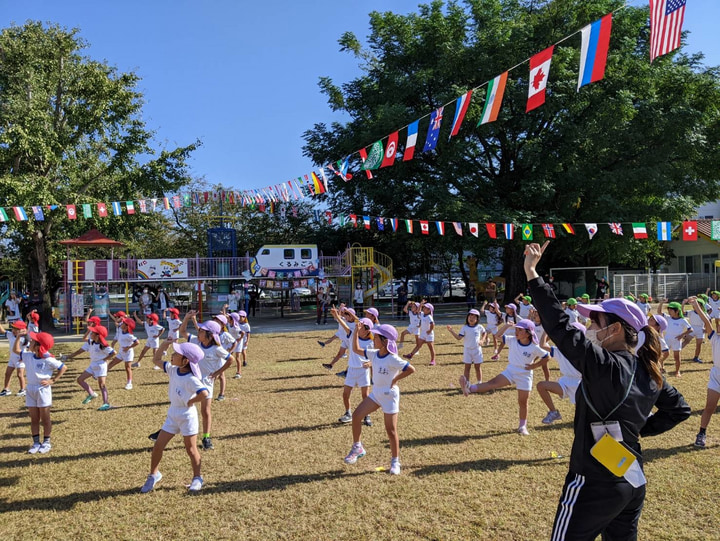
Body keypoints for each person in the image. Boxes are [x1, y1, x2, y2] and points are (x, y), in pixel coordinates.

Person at [523, 241, 690, 540]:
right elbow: (679, 409)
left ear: (614, 329)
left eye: (594, 320)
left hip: (593, 482)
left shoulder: (603, 364)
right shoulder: (650, 371)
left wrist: (533, 275)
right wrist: (638, 430)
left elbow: (560, 326)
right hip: (631, 479)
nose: (588, 325)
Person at [344, 323, 415, 475]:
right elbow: (356, 349)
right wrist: (356, 331)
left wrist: (395, 380)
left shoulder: (393, 358)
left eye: (376, 337)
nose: (373, 338)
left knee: (391, 430)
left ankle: (395, 461)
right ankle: (358, 447)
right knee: (356, 416)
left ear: (385, 341)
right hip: (376, 394)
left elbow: (410, 369)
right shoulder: (374, 354)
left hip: (389, 396)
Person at [140, 340, 209, 493]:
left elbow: (204, 393)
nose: (172, 355)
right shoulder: (172, 370)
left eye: (176, 354)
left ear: (185, 361)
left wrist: (191, 401)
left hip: (187, 417)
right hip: (173, 414)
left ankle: (197, 477)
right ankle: (154, 475)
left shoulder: (191, 378)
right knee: (158, 445)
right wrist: (164, 345)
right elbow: (156, 360)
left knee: (191, 449)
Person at [459, 319, 549, 435]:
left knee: (523, 402)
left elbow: (546, 357)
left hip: (525, 375)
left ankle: (522, 426)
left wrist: (534, 366)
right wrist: (506, 326)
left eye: (520, 330)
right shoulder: (512, 340)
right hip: (511, 371)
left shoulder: (534, 347)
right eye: (516, 329)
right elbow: (497, 336)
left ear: (528, 333)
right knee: (492, 383)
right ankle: (469, 388)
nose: (516, 332)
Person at [11, 330, 66, 454]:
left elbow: (63, 367)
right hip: (30, 389)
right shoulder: (28, 356)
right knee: (34, 418)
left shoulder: (48, 359)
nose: (30, 342)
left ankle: (46, 442)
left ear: (38, 345)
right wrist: (18, 337)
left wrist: (53, 380)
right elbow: (16, 351)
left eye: (33, 341)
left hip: (42, 390)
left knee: (45, 418)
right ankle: (36, 442)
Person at [530, 322, 586, 425]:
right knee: (541, 386)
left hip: (582, 384)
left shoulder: (586, 351)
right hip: (565, 382)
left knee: (582, 416)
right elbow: (542, 345)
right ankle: (553, 412)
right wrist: (548, 330)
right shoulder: (560, 350)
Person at [330, 307, 374, 426]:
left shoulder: (371, 342)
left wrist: (370, 363)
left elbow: (375, 357)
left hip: (363, 371)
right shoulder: (351, 335)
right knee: (345, 394)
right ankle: (348, 413)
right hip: (351, 370)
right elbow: (344, 324)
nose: (358, 328)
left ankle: (367, 415)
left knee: (365, 395)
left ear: (368, 330)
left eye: (362, 327)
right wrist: (337, 316)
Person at [66, 325, 116, 411]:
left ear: (98, 335)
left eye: (93, 332)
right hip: (93, 365)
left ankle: (106, 403)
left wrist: (105, 359)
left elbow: (114, 352)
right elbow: (84, 338)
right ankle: (91, 393)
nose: (91, 334)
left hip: (101, 366)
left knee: (102, 385)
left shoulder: (103, 345)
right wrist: (88, 330)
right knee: (80, 380)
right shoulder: (91, 342)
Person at [447, 309, 486, 384]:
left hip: (477, 350)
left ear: (477, 319)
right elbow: (459, 338)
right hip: (467, 350)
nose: (471, 319)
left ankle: (479, 382)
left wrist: (482, 340)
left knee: (477, 367)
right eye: (470, 317)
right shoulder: (464, 328)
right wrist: (451, 331)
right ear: (467, 318)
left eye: (474, 317)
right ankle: (467, 383)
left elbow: (484, 333)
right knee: (467, 367)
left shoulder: (479, 327)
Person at [657, 299, 693, 377]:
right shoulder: (667, 317)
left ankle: (677, 371)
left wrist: (682, 335)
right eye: (668, 310)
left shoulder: (682, 320)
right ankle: (661, 368)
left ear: (677, 311)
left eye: (671, 310)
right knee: (663, 354)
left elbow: (690, 329)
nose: (669, 311)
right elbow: (659, 312)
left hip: (676, 340)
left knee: (676, 357)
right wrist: (661, 303)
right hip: (667, 338)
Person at [106, 317, 140, 390]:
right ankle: (101, 373)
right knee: (112, 363)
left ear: (127, 326)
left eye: (123, 323)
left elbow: (137, 342)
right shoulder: (121, 330)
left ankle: (129, 383)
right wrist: (121, 318)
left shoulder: (129, 335)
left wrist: (128, 347)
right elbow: (116, 322)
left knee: (127, 368)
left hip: (128, 354)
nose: (121, 323)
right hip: (121, 352)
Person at [0, 320, 28, 397]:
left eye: (15, 329)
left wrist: (24, 357)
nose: (13, 330)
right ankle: (6, 389)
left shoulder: (24, 338)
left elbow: (29, 349)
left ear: (21, 330)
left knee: (19, 375)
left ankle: (23, 390)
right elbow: (2, 330)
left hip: (20, 359)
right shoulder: (10, 335)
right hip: (12, 359)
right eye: (13, 328)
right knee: (7, 374)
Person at [683, 296, 708, 364]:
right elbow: (683, 313)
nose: (696, 306)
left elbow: (707, 322)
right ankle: (676, 351)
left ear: (702, 306)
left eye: (698, 305)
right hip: (692, 328)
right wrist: (683, 304)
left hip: (700, 329)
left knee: (698, 344)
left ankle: (696, 357)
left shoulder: (704, 314)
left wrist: (706, 329)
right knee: (686, 341)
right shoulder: (691, 312)